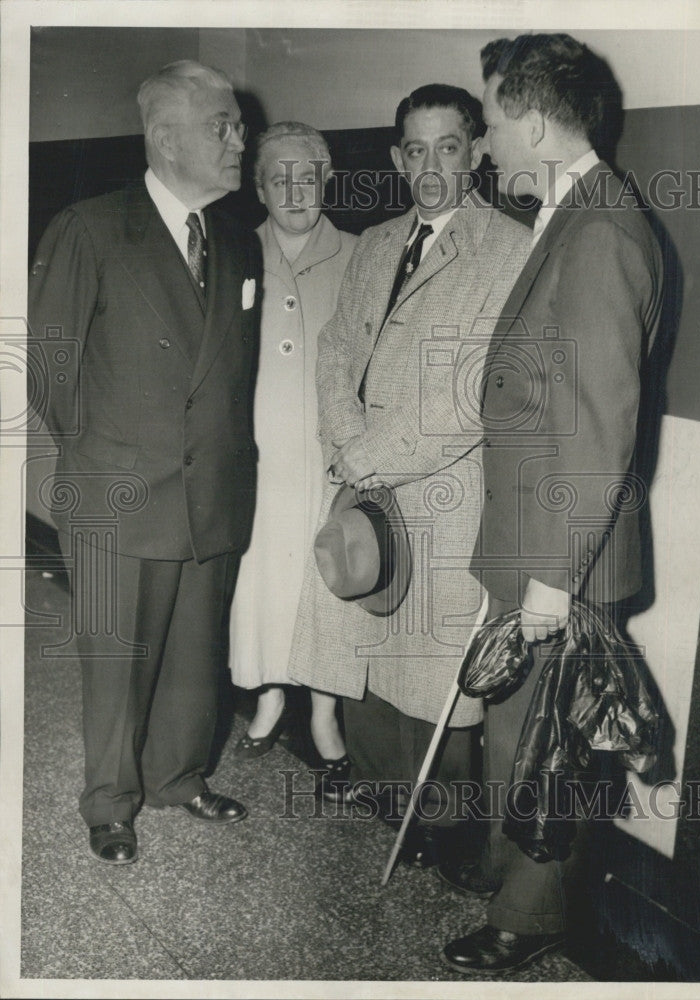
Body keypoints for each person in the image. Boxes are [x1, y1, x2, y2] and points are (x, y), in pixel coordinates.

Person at [440, 34, 664, 975]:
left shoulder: (601, 230)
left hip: (558, 553)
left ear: (531, 119)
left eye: (489, 119)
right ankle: (506, 867)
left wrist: (547, 584)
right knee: (514, 732)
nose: (485, 141)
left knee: (549, 749)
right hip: (534, 540)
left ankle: (528, 921)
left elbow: (596, 429)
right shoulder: (567, 213)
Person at [287, 84, 531, 861]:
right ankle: (378, 785)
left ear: (478, 151)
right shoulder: (375, 241)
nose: (430, 167)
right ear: (397, 157)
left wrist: (373, 455)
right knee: (362, 631)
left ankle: (435, 824)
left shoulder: (508, 249)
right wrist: (347, 437)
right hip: (363, 480)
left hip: (438, 489)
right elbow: (333, 352)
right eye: (415, 150)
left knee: (427, 663)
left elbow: (471, 390)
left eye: (448, 147)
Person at [27, 60, 261, 865]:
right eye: (222, 127)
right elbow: (49, 370)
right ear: (164, 140)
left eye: (237, 125)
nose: (241, 140)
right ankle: (110, 801)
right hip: (121, 493)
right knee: (117, 663)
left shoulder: (236, 240)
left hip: (214, 493)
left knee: (197, 654)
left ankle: (177, 775)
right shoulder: (91, 227)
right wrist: (112, 455)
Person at [228, 123, 357, 767]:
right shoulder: (235, 253)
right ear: (259, 187)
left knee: (326, 581)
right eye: (280, 178)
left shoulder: (361, 255)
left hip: (331, 458)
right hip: (259, 455)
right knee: (265, 579)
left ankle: (326, 710)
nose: (295, 190)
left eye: (307, 176)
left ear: (326, 181)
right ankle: (273, 696)